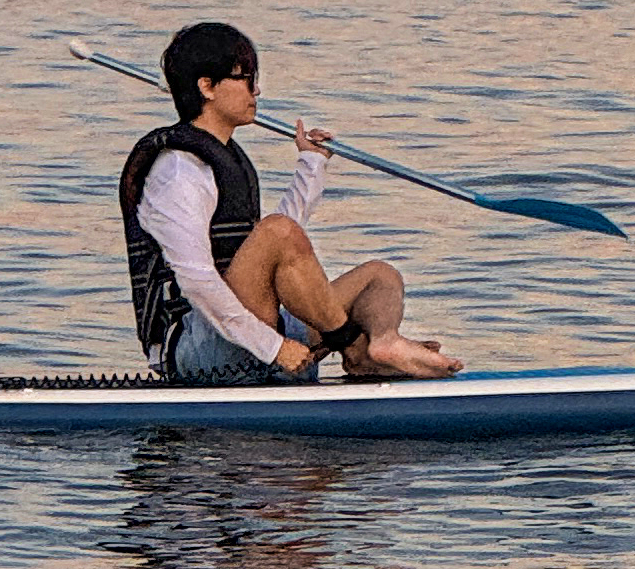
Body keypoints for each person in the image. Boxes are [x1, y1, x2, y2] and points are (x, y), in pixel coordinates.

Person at [117, 20, 460, 386]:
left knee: (379, 277)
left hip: (252, 329)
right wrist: (274, 347)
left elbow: (281, 242)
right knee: (277, 233)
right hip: (200, 350)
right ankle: (355, 349)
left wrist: (311, 163)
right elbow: (198, 281)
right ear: (207, 87)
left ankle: (380, 347)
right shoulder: (178, 171)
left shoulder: (225, 158)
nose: (257, 90)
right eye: (246, 78)